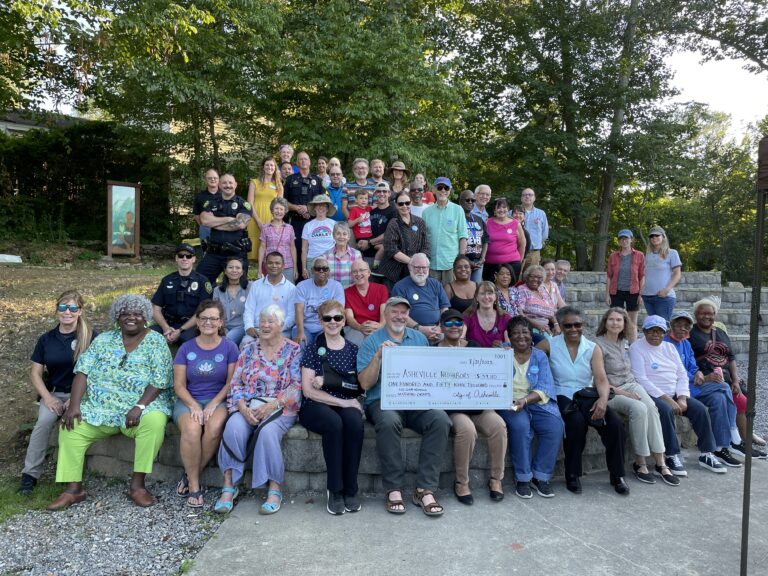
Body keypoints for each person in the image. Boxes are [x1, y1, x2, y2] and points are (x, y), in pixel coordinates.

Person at [48, 295, 173, 510]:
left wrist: (140, 406)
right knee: (71, 426)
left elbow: (160, 379)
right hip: (101, 406)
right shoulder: (104, 339)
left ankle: (137, 486)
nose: (131, 318)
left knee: (154, 423)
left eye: (136, 314)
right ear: (117, 317)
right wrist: (75, 406)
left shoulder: (156, 341)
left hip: (142, 407)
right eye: (125, 314)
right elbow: (82, 371)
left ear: (145, 318)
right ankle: (74, 489)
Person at [357, 297, 452, 516]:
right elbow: (364, 383)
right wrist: (378, 357)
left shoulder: (419, 339)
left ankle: (424, 489)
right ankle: (393, 488)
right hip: (382, 401)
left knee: (440, 419)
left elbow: (429, 374)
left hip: (416, 400)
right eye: (395, 312)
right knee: (389, 421)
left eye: (403, 312)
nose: (399, 316)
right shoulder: (372, 341)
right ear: (386, 314)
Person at [215, 305, 302, 515]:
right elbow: (235, 383)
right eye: (262, 321)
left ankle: (274, 487)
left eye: (271, 321)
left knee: (267, 433)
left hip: (279, 406)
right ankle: (229, 485)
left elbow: (296, 385)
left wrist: (273, 404)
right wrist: (242, 408)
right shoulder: (248, 349)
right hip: (248, 403)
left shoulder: (293, 350)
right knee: (233, 427)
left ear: (281, 325)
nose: (265, 325)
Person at [536, 306, 629, 495]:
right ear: (560, 326)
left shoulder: (592, 348)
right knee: (575, 424)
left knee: (615, 425)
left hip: (587, 393)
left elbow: (601, 379)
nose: (573, 329)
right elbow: (527, 356)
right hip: (562, 393)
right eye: (567, 325)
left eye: (577, 325)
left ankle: (617, 475)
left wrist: (603, 400)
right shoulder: (549, 344)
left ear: (583, 325)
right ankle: (572, 474)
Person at [628, 315, 729, 476]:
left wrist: (682, 396)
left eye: (659, 331)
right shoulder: (636, 348)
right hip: (652, 394)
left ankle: (706, 454)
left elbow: (682, 373)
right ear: (644, 331)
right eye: (651, 331)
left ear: (665, 332)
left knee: (700, 410)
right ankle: (671, 454)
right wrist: (667, 399)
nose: (655, 334)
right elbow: (641, 378)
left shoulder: (669, 347)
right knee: (666, 411)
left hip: (675, 392)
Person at [18, 291, 97, 496]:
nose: (67, 312)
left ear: (80, 311)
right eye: (63, 307)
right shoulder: (46, 339)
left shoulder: (91, 336)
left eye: (72, 308)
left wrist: (75, 399)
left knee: (71, 424)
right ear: (57, 310)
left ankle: (71, 477)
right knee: (43, 423)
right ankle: (30, 475)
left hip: (83, 395)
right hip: (54, 394)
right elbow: (36, 373)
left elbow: (98, 372)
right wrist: (48, 398)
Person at [595, 308, 679, 486]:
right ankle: (640, 463)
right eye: (612, 319)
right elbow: (599, 379)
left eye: (619, 320)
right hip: (611, 390)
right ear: (605, 322)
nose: (615, 323)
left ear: (624, 324)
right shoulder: (598, 345)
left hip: (632, 384)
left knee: (652, 408)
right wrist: (625, 393)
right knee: (638, 408)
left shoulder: (625, 342)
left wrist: (632, 390)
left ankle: (660, 462)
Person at [299, 300, 364, 515]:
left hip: (345, 400)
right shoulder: (313, 349)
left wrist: (347, 399)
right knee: (334, 424)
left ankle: (351, 488)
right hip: (315, 405)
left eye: (338, 318)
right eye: (328, 318)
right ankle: (335, 489)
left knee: (354, 422)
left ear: (345, 321)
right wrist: (344, 402)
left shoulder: (354, 350)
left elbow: (357, 385)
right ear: (320, 321)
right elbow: (308, 391)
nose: (333, 322)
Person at [437, 309, 507, 505]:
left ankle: (496, 479)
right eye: (449, 323)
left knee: (498, 426)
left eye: (458, 323)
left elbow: (487, 372)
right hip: (453, 408)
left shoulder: (474, 346)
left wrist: (503, 354)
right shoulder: (433, 350)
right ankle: (461, 483)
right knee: (467, 430)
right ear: (441, 327)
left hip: (477, 404)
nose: (454, 327)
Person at [172, 300, 238, 508]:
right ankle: (194, 485)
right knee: (191, 429)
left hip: (217, 399)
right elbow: (179, 385)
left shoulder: (230, 347)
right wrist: (193, 405)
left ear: (220, 322)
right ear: (197, 322)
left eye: (213, 318)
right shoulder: (185, 348)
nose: (208, 322)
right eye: (203, 318)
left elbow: (231, 382)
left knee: (214, 426)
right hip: (189, 400)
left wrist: (212, 405)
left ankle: (191, 475)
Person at [497, 317, 564, 498]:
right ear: (509, 336)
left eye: (525, 332)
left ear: (531, 335)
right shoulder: (502, 353)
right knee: (521, 427)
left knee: (555, 427)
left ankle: (541, 476)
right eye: (516, 333)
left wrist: (525, 401)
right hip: (509, 402)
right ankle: (523, 478)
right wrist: (501, 354)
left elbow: (545, 386)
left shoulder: (539, 356)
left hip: (535, 401)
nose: (521, 337)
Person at [688, 297, 763, 459]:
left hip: (727, 377)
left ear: (715, 315)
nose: (707, 316)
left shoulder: (720, 332)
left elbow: (731, 357)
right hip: (710, 377)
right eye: (703, 313)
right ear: (696, 315)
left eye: (710, 313)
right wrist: (703, 376)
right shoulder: (691, 334)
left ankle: (745, 438)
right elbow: (689, 361)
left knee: (747, 397)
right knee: (740, 401)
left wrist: (735, 379)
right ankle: (739, 441)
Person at [151, 243, 213, 344]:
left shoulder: (203, 281)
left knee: (186, 340)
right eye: (181, 256)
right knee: (148, 335)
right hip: (168, 324)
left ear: (193, 259)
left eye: (188, 256)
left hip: (191, 325)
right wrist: (166, 328)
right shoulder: (167, 280)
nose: (184, 259)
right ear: (176, 258)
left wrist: (180, 331)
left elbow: (203, 312)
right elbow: (155, 308)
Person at [198, 173, 253, 283]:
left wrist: (215, 222)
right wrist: (229, 219)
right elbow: (204, 221)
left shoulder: (244, 204)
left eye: (230, 183)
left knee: (240, 287)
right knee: (200, 281)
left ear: (235, 185)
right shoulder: (211, 203)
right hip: (214, 253)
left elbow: (240, 224)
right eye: (224, 183)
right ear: (219, 185)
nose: (228, 185)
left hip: (236, 254)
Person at [391, 253, 450, 344]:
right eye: (417, 267)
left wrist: (440, 327)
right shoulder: (400, 287)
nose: (421, 271)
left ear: (428, 268)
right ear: (410, 267)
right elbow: (399, 314)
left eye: (424, 267)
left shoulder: (436, 284)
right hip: (411, 331)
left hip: (437, 331)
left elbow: (444, 309)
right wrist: (420, 329)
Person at [242, 251, 296, 345]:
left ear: (283, 266)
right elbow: (249, 309)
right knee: (245, 343)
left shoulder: (291, 289)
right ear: (265, 265)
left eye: (277, 263)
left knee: (283, 348)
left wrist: (277, 329)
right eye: (270, 263)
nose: (274, 266)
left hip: (281, 331)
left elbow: (292, 316)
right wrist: (249, 327)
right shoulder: (256, 285)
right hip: (257, 330)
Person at [378, 191, 430, 287]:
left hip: (415, 272)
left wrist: (418, 262)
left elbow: (425, 246)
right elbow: (391, 250)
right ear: (396, 205)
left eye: (407, 203)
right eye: (401, 204)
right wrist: (413, 262)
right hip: (394, 274)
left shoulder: (420, 222)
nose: (404, 206)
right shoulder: (393, 223)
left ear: (411, 203)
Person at [422, 177, 468, 283]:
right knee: (433, 296)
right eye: (440, 187)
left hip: (451, 264)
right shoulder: (426, 212)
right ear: (434, 189)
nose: (443, 190)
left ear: (450, 190)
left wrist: (461, 259)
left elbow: (463, 236)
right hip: (431, 264)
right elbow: (423, 238)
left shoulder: (458, 210)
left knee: (451, 296)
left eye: (446, 188)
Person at [294, 256, 345, 346]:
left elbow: (339, 311)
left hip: (326, 327)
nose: (321, 271)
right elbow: (299, 310)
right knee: (301, 347)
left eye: (325, 269)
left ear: (329, 271)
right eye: (318, 268)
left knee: (323, 350)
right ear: (312, 270)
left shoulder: (336, 286)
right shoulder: (302, 286)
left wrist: (329, 331)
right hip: (304, 326)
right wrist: (301, 332)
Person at [284, 151, 324, 259]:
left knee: (313, 250)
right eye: (300, 159)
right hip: (295, 222)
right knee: (297, 250)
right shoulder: (290, 180)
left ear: (310, 162)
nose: (303, 161)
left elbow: (323, 202)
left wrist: (308, 208)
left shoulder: (318, 180)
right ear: (297, 162)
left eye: (305, 159)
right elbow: (284, 201)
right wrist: (296, 208)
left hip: (313, 221)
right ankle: (299, 275)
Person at [246, 157, 283, 265]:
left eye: (272, 165)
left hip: (271, 219)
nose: (269, 167)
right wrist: (258, 221)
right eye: (267, 165)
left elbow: (280, 206)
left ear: (275, 168)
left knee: (270, 252)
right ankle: (258, 276)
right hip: (255, 217)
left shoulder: (278, 185)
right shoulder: (254, 182)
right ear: (263, 167)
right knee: (256, 249)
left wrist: (273, 222)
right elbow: (249, 203)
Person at [606, 229, 645, 331]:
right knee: (616, 321)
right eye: (621, 239)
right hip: (616, 292)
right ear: (619, 241)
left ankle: (632, 345)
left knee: (632, 322)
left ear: (631, 239)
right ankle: (617, 344)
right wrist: (607, 294)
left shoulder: (640, 255)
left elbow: (642, 276)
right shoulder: (613, 256)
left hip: (633, 292)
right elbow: (609, 276)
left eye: (626, 238)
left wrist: (641, 294)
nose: (624, 241)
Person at [344, 260, 389, 346]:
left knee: (381, 345)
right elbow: (349, 318)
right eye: (354, 271)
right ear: (351, 275)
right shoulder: (347, 292)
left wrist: (380, 325)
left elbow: (384, 313)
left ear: (369, 273)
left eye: (361, 270)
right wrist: (360, 327)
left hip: (377, 327)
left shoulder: (381, 289)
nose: (358, 274)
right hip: (355, 329)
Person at [641, 225, 681, 320]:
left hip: (664, 297)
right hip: (647, 297)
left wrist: (667, 289)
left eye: (657, 235)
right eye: (652, 236)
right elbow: (644, 274)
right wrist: (642, 291)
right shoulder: (647, 255)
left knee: (663, 327)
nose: (654, 238)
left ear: (663, 237)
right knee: (653, 327)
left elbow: (677, 274)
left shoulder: (672, 253)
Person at [484, 197, 525, 282]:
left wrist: (519, 261)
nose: (501, 210)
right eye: (498, 207)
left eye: (504, 207)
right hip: (490, 265)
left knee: (510, 292)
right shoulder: (487, 222)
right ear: (494, 210)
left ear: (508, 209)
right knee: (491, 291)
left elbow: (522, 244)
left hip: (512, 264)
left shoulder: (515, 224)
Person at [258, 197, 297, 282]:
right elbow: (262, 248)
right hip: (270, 266)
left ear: (285, 211)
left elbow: (293, 248)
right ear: (272, 210)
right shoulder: (265, 228)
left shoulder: (290, 228)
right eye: (276, 208)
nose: (279, 211)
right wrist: (259, 268)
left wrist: (295, 267)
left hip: (287, 265)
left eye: (281, 209)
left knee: (289, 292)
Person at [212, 257, 250, 346]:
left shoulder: (250, 288)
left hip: (241, 326)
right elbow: (215, 311)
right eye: (230, 267)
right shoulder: (217, 290)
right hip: (223, 326)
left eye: (237, 268)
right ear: (225, 271)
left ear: (242, 271)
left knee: (226, 341)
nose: (234, 270)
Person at [464, 281, 512, 348]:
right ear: (476, 297)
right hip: (472, 357)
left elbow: (509, 346)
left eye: (490, 293)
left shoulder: (505, 318)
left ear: (495, 297)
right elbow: (460, 340)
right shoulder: (468, 316)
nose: (486, 297)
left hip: (498, 357)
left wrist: (502, 346)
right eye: (482, 293)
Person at [301, 194, 337, 278]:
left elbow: (338, 245)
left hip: (330, 260)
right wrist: (304, 268)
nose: (321, 208)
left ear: (328, 208)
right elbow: (304, 249)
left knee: (330, 286)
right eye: (318, 205)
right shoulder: (308, 225)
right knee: (313, 287)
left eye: (324, 205)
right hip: (312, 260)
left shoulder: (334, 224)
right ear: (314, 208)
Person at [517, 265, 559, 336]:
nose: (535, 279)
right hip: (529, 328)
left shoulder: (542, 289)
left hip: (546, 328)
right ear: (526, 277)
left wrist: (556, 324)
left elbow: (552, 312)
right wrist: (536, 325)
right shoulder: (521, 289)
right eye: (532, 276)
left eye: (539, 277)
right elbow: (520, 313)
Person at [363, 182, 397, 268]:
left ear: (389, 193)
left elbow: (389, 233)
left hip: (386, 255)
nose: (382, 194)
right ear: (375, 194)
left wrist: (369, 242)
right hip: (368, 253)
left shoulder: (394, 211)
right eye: (379, 191)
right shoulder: (371, 211)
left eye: (384, 191)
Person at [461, 189, 489, 283]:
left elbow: (485, 240)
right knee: (463, 288)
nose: (470, 202)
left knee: (477, 290)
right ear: (460, 201)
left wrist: (482, 259)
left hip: (478, 262)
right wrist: (466, 261)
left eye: (472, 200)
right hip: (462, 262)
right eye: (467, 200)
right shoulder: (457, 218)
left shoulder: (479, 219)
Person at [323, 221, 362, 288]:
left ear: (348, 237)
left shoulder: (356, 254)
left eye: (344, 234)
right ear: (333, 236)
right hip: (332, 294)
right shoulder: (325, 255)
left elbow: (360, 276)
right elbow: (323, 278)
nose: (341, 237)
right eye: (338, 233)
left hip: (351, 293)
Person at [521, 188, 548, 267]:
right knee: (516, 277)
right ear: (521, 198)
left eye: (530, 195)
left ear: (534, 198)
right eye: (525, 195)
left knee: (532, 277)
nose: (527, 197)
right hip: (516, 251)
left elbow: (545, 234)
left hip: (534, 253)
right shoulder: (513, 213)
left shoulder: (541, 213)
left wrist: (535, 243)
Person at [192, 168, 219, 242]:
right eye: (209, 178)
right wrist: (203, 225)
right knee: (206, 252)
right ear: (205, 180)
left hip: (222, 228)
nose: (213, 180)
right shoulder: (200, 196)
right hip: (205, 229)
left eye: (215, 178)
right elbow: (196, 215)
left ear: (219, 179)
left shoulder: (224, 195)